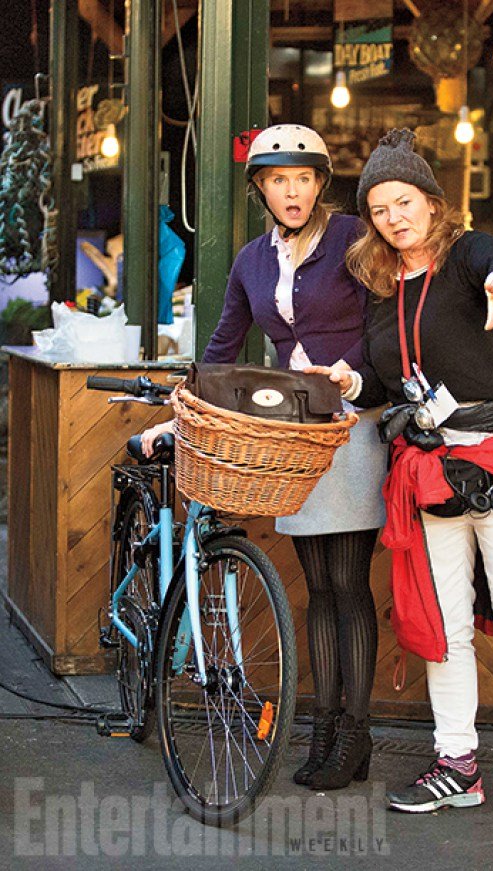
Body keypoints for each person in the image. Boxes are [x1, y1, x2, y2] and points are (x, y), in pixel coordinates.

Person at [308, 129, 493, 829]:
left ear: (433, 203)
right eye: (379, 209)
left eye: (404, 202)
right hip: (427, 469)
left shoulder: (468, 255)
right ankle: (457, 764)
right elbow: (387, 376)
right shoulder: (383, 288)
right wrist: (351, 380)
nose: (393, 218)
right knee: (445, 627)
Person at [141, 125, 387, 790]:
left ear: (320, 183)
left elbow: (383, 328)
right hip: (290, 439)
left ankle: (354, 733)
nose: (292, 191)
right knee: (317, 585)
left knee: (348, 582)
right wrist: (180, 416)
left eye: (303, 178)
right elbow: (222, 348)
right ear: (261, 189)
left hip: (351, 425)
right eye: (278, 180)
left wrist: (348, 373)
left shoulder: (353, 238)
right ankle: (324, 728)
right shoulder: (252, 260)